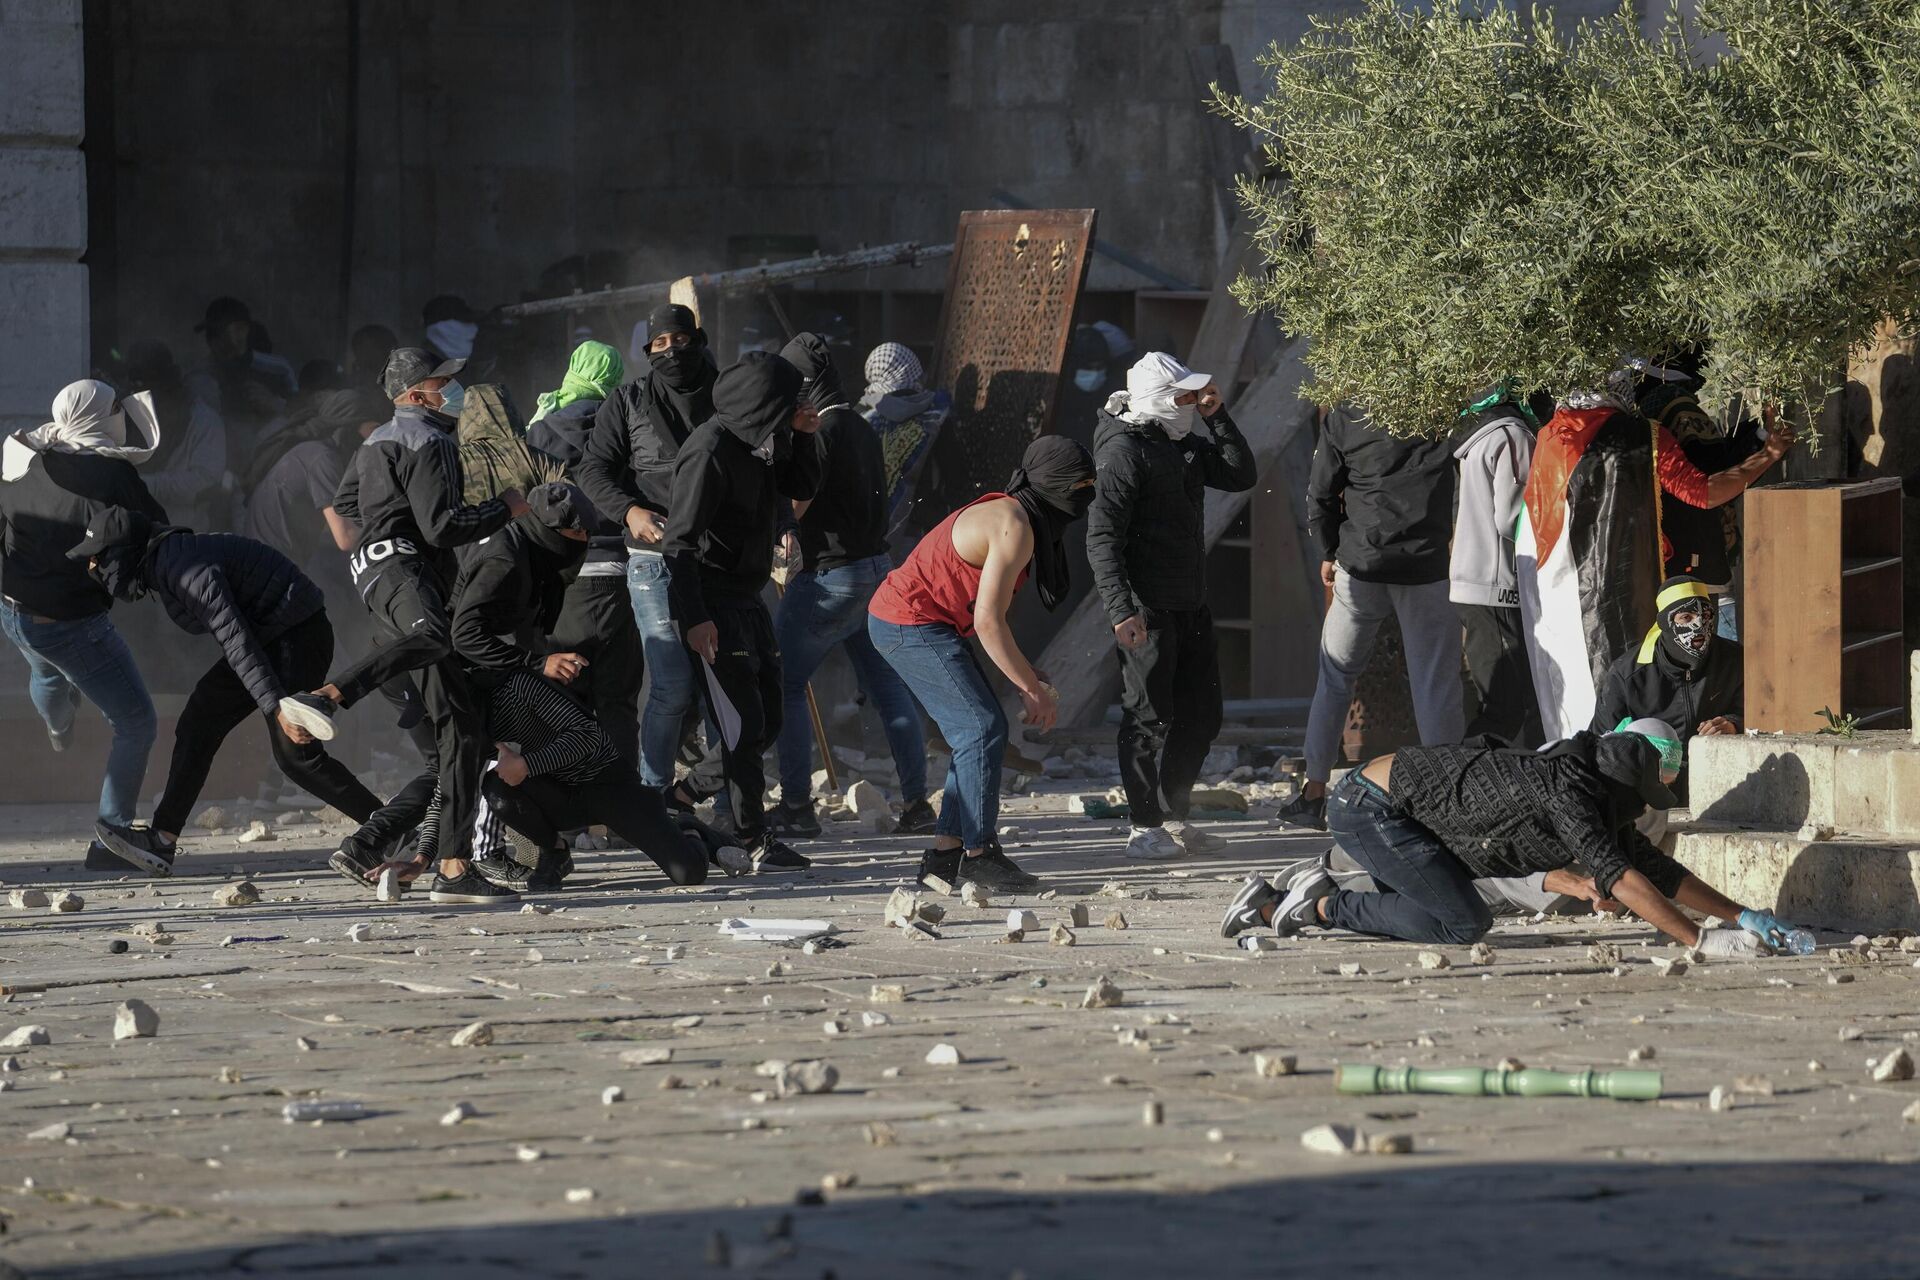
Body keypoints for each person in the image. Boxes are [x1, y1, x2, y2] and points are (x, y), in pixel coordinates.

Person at [289, 348, 530, 904]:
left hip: (373, 572)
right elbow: (443, 526)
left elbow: (348, 501)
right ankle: (329, 695)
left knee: (463, 734)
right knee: (434, 638)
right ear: (419, 394)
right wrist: (506, 507)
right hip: (404, 571)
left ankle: (452, 868)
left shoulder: (375, 443)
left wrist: (390, 510)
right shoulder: (432, 441)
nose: (457, 391)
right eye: (446, 382)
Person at [1222, 726, 1800, 955]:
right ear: (1626, 779)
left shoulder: (1591, 786)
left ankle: (1291, 895)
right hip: (1370, 806)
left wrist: (1743, 916)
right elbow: (1619, 876)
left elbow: (1651, 867)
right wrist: (1698, 942)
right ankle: (1319, 904)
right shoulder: (1568, 787)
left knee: (1439, 905)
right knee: (1460, 922)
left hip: (1408, 816)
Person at [72, 507, 383, 872]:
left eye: (99, 559)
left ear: (124, 553)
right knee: (198, 722)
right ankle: (162, 841)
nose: (94, 569)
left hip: (296, 636)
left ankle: (391, 826)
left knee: (297, 758)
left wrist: (277, 706)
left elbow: (236, 639)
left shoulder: (184, 570)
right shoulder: (167, 562)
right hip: (272, 635)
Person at [448, 482, 713, 892]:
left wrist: (527, 765)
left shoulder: (521, 685)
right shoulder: (478, 701)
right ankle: (552, 854)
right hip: (555, 793)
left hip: (604, 788)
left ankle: (690, 832)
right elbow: (446, 781)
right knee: (498, 787)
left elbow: (587, 740)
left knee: (688, 874)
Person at [869, 435, 1097, 894]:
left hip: (929, 623)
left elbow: (987, 617)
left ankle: (945, 856)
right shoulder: (1014, 526)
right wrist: (1028, 687)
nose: (1084, 496)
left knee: (974, 731)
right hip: (908, 622)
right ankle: (980, 855)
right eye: (1079, 485)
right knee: (980, 728)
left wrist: (1027, 672)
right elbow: (988, 620)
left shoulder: (1018, 513)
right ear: (1054, 484)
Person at [1519, 363, 1793, 740]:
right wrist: (1769, 455)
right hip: (1624, 590)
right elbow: (1704, 492)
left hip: (1555, 589)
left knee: (1568, 696)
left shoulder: (1552, 434)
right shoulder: (1641, 435)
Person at [1087, 352, 1256, 859]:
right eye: (1184, 397)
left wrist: (1216, 416)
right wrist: (1121, 610)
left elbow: (1238, 472)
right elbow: (1102, 538)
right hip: (1148, 606)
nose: (1192, 404)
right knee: (1147, 717)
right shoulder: (1124, 452)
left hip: (1190, 600)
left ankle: (1172, 814)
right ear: (1160, 401)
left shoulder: (1176, 441)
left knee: (1202, 715)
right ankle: (1144, 826)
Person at [764, 334, 933, 839]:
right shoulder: (861, 424)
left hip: (831, 577)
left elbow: (796, 503)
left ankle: (796, 805)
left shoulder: (820, 432)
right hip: (876, 571)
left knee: (785, 683)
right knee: (886, 685)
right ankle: (917, 803)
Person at [661, 350, 822, 871]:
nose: (792, 410)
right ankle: (755, 836)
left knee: (767, 719)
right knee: (740, 725)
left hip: (748, 598)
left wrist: (801, 434)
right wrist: (694, 619)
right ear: (760, 405)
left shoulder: (762, 440)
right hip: (711, 603)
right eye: (786, 404)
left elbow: (798, 488)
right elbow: (678, 545)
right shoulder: (707, 452)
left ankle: (683, 796)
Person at [0, 381, 166, 870]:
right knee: (136, 722)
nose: (120, 415)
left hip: (14, 609)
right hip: (72, 623)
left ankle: (57, 724)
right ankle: (111, 837)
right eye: (115, 408)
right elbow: (155, 526)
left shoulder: (24, 456)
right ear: (96, 416)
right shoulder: (110, 473)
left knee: (47, 672)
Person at [1280, 405, 1465, 831]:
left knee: (1336, 676)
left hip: (1360, 566)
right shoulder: (1442, 411)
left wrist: (1328, 552)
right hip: (1426, 568)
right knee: (1435, 682)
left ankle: (1312, 793)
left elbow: (1321, 492)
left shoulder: (1347, 416)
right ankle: (1449, 800)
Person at [574, 303, 727, 805]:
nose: (670, 352)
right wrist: (631, 512)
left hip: (717, 558)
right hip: (653, 559)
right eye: (659, 345)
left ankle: (727, 800)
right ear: (647, 353)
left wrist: (779, 528)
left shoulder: (726, 395)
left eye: (679, 341)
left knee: (725, 683)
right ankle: (652, 798)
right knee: (672, 683)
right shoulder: (629, 400)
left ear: (697, 340)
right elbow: (592, 470)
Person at [525, 340, 642, 764]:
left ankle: (571, 813)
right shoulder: (628, 426)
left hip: (563, 579)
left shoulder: (540, 430)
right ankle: (624, 813)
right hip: (621, 573)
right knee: (618, 701)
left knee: (561, 700)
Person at [1591, 576, 1742, 804]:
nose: (1698, 626)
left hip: (1724, 785)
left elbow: (1762, 712)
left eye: (1706, 616)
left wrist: (1733, 724)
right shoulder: (1628, 674)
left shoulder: (1734, 659)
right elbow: (1602, 745)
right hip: (1650, 796)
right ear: (1665, 623)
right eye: (1686, 617)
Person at [1450, 383, 1542, 745]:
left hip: (1472, 582)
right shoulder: (1513, 434)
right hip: (1498, 586)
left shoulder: (1475, 435)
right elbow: (1510, 517)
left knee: (1497, 702)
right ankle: (1461, 787)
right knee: (1506, 706)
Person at [118, 340, 228, 534]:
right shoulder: (127, 416)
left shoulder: (204, 421)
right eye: (135, 387)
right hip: (135, 535)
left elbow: (206, 483)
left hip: (183, 536)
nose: (138, 394)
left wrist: (145, 484)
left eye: (147, 385)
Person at [186, 297, 296, 477]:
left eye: (218, 331)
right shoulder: (199, 377)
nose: (212, 340)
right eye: (210, 333)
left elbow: (303, 411)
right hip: (220, 467)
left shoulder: (277, 369)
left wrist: (275, 404)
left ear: (242, 330)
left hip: (269, 467)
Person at [857, 342, 951, 545]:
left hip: (867, 525)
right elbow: (952, 469)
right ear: (910, 369)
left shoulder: (860, 416)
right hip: (921, 523)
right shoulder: (935, 413)